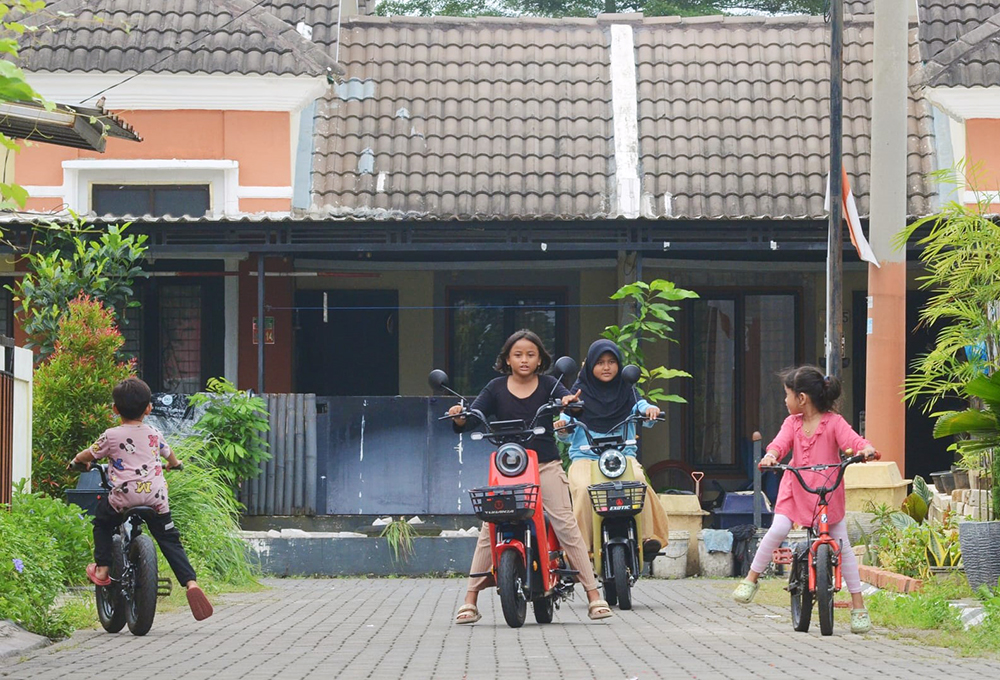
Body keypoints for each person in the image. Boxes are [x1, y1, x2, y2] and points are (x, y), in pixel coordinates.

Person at [449, 329, 613, 624]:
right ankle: (470, 601)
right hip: (507, 469)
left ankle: (593, 596)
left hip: (546, 465)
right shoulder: (495, 387)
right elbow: (472, 415)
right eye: (518, 354)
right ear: (507, 359)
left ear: (540, 360)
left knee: (565, 523)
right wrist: (460, 415)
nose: (524, 360)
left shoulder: (551, 384)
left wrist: (569, 404)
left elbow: (572, 403)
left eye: (530, 354)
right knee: (489, 529)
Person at [731, 365, 876, 634]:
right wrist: (771, 455)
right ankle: (751, 578)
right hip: (796, 489)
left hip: (827, 492)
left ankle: (858, 606)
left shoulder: (834, 422)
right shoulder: (792, 424)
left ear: (802, 398)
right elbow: (779, 444)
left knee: (841, 544)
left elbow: (853, 441)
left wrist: (865, 449)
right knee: (778, 529)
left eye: (787, 395)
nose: (785, 401)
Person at [68, 377, 213, 621]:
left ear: (115, 409)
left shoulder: (111, 435)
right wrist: (174, 465)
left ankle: (103, 570)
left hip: (124, 497)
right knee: (169, 539)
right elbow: (171, 456)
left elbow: (89, 454)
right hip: (155, 498)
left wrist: (76, 462)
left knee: (102, 523)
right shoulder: (155, 434)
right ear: (149, 408)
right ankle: (190, 582)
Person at [556, 339, 670, 560]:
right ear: (589, 366)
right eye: (599, 362)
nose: (606, 367)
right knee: (582, 488)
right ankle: (580, 548)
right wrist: (562, 427)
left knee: (638, 480)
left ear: (619, 365)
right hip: (584, 459)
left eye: (611, 362)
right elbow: (566, 419)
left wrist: (650, 410)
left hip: (622, 456)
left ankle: (647, 537)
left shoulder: (627, 389)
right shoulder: (578, 392)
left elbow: (641, 406)